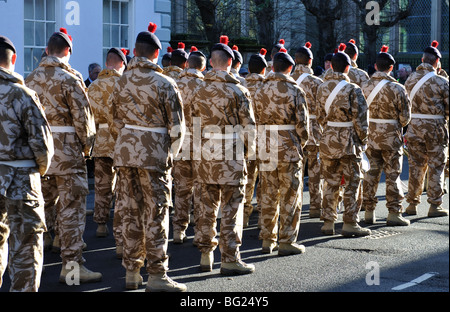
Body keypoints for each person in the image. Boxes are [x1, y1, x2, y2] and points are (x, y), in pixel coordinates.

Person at [109, 22, 187, 292]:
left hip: (125, 153)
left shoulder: (120, 81)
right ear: (156, 54)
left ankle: (132, 271)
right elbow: (178, 128)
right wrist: (171, 156)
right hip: (154, 155)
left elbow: (115, 120)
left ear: (134, 52)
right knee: (156, 214)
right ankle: (157, 274)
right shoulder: (165, 83)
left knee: (130, 212)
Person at [25, 28, 100, 283]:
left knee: (40, 207)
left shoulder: (30, 78)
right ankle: (72, 268)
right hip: (67, 152)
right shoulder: (71, 78)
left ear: (47, 50)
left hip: (39, 154)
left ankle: (37, 263)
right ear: (67, 51)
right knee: (71, 211)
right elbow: (84, 120)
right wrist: (87, 149)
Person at [190, 35, 256, 275]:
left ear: (210, 62)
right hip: (231, 155)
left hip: (205, 154)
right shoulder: (239, 91)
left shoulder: (198, 90)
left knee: (205, 207)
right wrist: (248, 154)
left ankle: (205, 254)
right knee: (231, 208)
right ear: (230, 62)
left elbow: (190, 127)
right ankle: (229, 258)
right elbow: (249, 129)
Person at [0, 35, 54, 292]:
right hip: (20, 178)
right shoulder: (22, 94)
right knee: (26, 246)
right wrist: (40, 171)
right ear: (14, 60)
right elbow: (42, 145)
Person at [254, 47, 309, 255]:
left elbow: (255, 119)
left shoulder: (260, 89)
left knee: (267, 193)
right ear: (290, 68)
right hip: (288, 147)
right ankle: (287, 240)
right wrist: (300, 144)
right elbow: (303, 127)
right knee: (290, 195)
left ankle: (267, 239)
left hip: (265, 146)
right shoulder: (295, 90)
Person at [316, 43, 371, 237]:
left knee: (330, 182)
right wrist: (363, 141)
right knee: (352, 182)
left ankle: (328, 221)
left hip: (328, 138)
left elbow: (319, 115)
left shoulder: (321, 87)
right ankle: (350, 222)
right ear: (348, 68)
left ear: (331, 66)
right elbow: (361, 120)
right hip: (349, 142)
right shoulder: (353, 89)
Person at [361, 45, 411, 226]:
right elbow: (405, 118)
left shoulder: (364, 86)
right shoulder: (397, 88)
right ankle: (394, 213)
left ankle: (368, 211)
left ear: (375, 66)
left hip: (369, 137)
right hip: (391, 137)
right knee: (392, 175)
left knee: (370, 174)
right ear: (391, 68)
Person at [87, 48, 127, 256]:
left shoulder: (93, 86)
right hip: (122, 141)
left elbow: (87, 118)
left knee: (102, 185)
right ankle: (119, 232)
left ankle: (101, 225)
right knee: (123, 187)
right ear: (121, 62)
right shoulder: (124, 84)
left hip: (101, 140)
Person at [404, 40, 449, 217]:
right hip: (436, 129)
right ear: (437, 62)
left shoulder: (409, 80)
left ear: (422, 60)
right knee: (436, 166)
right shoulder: (441, 81)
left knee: (415, 166)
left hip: (414, 127)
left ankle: (412, 204)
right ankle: (435, 205)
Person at [172, 47, 206, 244]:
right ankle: (200, 228)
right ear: (203, 67)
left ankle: (178, 229)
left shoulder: (175, 83)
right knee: (201, 189)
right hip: (201, 140)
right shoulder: (206, 85)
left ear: (187, 64)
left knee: (182, 188)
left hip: (181, 139)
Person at [291, 42, 324, 218]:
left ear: (295, 60)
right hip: (314, 131)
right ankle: (315, 206)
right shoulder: (317, 83)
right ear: (310, 61)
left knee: (294, 172)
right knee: (315, 172)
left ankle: (292, 206)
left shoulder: (287, 80)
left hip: (291, 132)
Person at [242, 48, 268, 228]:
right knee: (267, 179)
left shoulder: (240, 85)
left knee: (247, 178)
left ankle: (243, 215)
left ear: (249, 69)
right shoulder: (268, 86)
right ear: (264, 70)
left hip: (246, 138)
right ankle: (263, 217)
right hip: (267, 138)